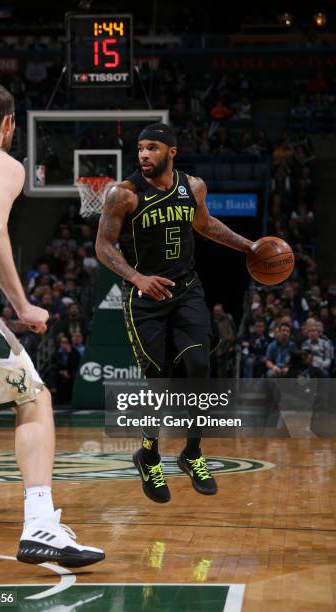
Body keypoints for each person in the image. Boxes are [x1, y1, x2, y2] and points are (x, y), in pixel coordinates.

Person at [0, 82, 104, 567]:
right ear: (10, 124)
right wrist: (22, 305)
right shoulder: (2, 163)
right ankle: (40, 526)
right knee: (33, 398)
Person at [95, 122, 254, 503]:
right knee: (161, 386)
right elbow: (103, 246)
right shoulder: (124, 194)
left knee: (200, 367)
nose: (144, 155)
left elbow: (205, 224)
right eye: (140, 149)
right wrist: (137, 277)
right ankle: (148, 455)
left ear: (171, 151)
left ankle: (192, 452)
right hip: (145, 299)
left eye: (152, 148)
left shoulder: (193, 186)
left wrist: (250, 246)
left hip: (186, 291)